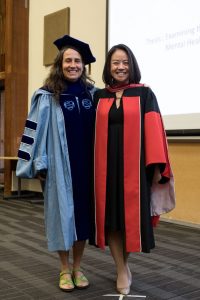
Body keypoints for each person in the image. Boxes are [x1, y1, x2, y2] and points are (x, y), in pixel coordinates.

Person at [16, 35, 97, 292]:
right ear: (59, 64)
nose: (73, 64)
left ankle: (78, 267)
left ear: (84, 65)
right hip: (60, 166)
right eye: (68, 60)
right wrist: (39, 162)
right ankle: (64, 268)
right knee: (61, 217)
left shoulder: (93, 94)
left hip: (88, 166)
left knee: (83, 218)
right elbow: (34, 131)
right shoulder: (47, 95)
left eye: (77, 61)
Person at [93, 44, 175, 295]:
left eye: (125, 62)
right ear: (109, 67)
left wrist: (157, 167)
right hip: (105, 169)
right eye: (116, 63)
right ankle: (121, 269)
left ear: (132, 66)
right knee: (112, 222)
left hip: (135, 170)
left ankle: (124, 266)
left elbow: (153, 130)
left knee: (130, 221)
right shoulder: (99, 96)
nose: (120, 67)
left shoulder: (145, 94)